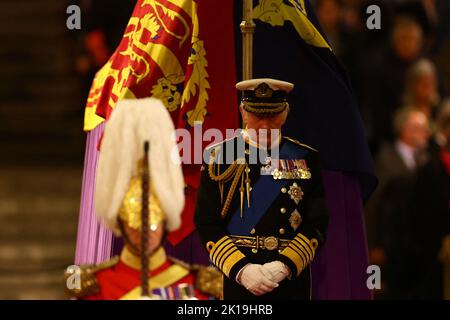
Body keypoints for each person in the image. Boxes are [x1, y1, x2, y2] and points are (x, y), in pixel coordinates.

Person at [65, 98, 221, 300]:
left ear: (166, 220)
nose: (145, 233)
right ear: (120, 221)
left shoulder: (199, 286)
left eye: (153, 223)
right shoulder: (93, 287)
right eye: (134, 223)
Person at [194, 79, 329, 300]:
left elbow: (317, 222)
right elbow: (206, 222)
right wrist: (241, 270)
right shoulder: (219, 157)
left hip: (288, 280)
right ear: (243, 112)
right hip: (235, 279)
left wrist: (284, 265)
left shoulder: (305, 157)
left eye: (273, 115)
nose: (265, 125)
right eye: (258, 115)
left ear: (285, 112)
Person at [365, 107, 430, 298]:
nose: (426, 133)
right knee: (376, 289)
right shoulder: (386, 159)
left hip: (408, 249)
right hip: (382, 245)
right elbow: (373, 203)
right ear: (404, 129)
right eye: (419, 128)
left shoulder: (425, 160)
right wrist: (373, 245)